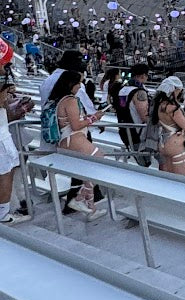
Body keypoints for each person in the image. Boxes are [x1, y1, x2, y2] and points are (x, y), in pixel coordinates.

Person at [41, 69, 107, 216]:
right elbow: (76, 125)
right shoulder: (71, 100)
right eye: (78, 83)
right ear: (71, 84)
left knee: (87, 172)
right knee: (100, 159)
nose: (80, 86)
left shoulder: (60, 100)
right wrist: (94, 118)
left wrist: (89, 118)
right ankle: (79, 199)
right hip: (73, 138)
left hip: (67, 139)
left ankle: (91, 208)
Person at [0, 79, 34, 225]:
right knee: (8, 177)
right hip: (5, 143)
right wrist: (22, 109)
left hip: (7, 141)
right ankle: (5, 214)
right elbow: (8, 116)